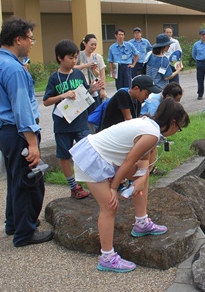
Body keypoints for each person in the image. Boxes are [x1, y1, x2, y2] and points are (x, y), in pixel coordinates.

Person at [70, 98, 190, 272]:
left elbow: (143, 163)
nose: (177, 131)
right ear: (172, 122)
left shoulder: (148, 124)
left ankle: (141, 222)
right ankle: (107, 257)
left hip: (103, 156)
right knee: (109, 207)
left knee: (143, 175)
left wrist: (140, 179)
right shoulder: (152, 134)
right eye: (179, 128)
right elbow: (129, 161)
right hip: (93, 157)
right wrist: (113, 188)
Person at [0, 17, 53, 247]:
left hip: (3, 133)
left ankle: (13, 223)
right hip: (18, 132)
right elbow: (22, 111)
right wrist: (32, 144)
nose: (32, 43)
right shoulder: (14, 69)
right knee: (28, 183)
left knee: (15, 178)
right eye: (30, 38)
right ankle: (24, 232)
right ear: (18, 39)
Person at [43, 40, 104, 199]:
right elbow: (46, 101)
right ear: (60, 58)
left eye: (76, 57)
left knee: (88, 150)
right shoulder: (54, 78)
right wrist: (62, 95)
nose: (74, 61)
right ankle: (73, 186)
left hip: (81, 122)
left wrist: (92, 89)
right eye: (70, 58)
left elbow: (84, 94)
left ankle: (96, 181)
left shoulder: (78, 74)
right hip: (63, 125)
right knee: (64, 155)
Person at [77, 34, 107, 124]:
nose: (93, 47)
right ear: (85, 44)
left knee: (95, 113)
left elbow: (101, 74)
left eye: (95, 45)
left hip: (95, 89)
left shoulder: (98, 57)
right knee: (82, 112)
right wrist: (85, 65)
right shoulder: (78, 55)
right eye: (91, 44)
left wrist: (102, 89)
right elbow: (72, 68)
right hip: (82, 88)